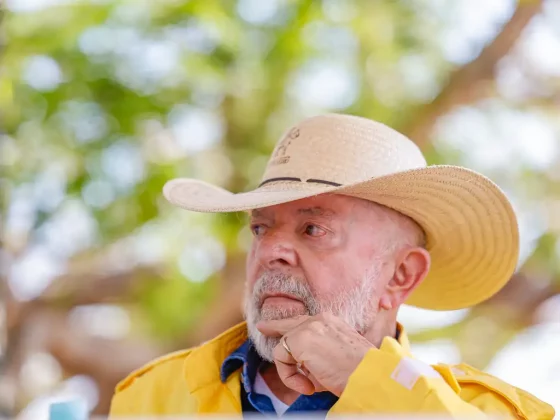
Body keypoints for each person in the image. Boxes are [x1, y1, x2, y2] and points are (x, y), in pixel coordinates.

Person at [109, 114, 555, 419]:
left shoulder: (493, 412)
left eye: (313, 230)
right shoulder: (150, 396)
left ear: (400, 274)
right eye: (261, 229)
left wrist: (371, 383)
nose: (270, 252)